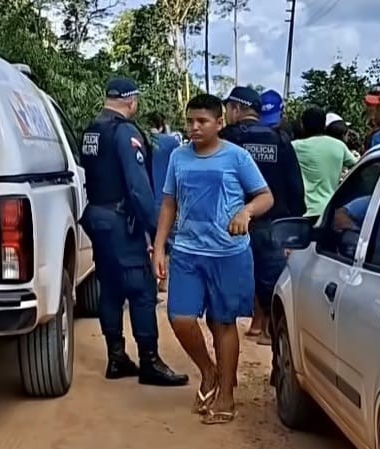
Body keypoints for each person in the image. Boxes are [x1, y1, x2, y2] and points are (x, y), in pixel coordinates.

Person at [153, 91, 274, 425]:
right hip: (188, 252)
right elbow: (168, 203)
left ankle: (226, 394)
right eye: (190, 121)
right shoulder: (178, 157)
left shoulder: (236, 158)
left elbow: (265, 197)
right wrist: (160, 247)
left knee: (223, 322)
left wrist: (246, 212)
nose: (194, 127)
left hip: (228, 254)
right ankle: (209, 371)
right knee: (180, 318)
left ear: (219, 123)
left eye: (202, 121)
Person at [79, 77, 188, 387]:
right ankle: (149, 361)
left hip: (97, 217)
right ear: (131, 101)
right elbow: (138, 189)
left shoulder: (91, 131)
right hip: (119, 221)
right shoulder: (124, 132)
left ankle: (116, 357)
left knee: (111, 288)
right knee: (141, 290)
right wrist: (158, 232)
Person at [222, 87, 305, 346]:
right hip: (274, 223)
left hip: (233, 222)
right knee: (271, 278)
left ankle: (245, 328)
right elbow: (295, 187)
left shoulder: (226, 139)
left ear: (236, 108)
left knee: (237, 278)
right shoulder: (280, 140)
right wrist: (294, 221)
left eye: (227, 109)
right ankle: (268, 329)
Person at [293, 107, 357, 223]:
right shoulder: (339, 146)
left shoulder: (294, 146)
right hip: (328, 210)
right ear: (324, 126)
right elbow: (358, 166)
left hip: (302, 212)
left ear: (303, 125)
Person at [148, 113, 181, 294]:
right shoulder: (171, 143)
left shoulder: (139, 140)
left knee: (149, 243)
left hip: (145, 201)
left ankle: (150, 284)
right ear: (162, 126)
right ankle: (164, 282)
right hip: (167, 202)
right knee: (169, 244)